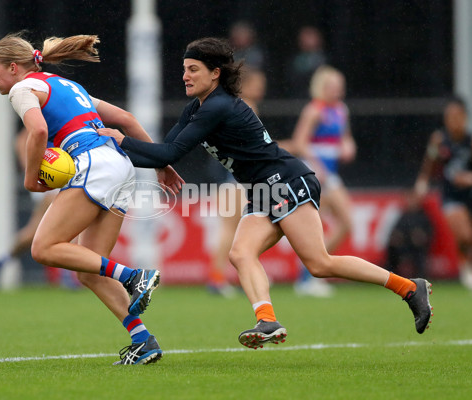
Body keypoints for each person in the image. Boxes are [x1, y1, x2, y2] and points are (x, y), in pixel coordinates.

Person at [101, 37, 433, 349]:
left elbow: (167, 154)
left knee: (318, 263)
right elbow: (163, 151)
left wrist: (120, 142)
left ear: (215, 73)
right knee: (241, 253)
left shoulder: (217, 107)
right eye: (184, 68)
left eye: (193, 69)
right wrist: (124, 149)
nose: (184, 75)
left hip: (285, 180)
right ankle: (267, 321)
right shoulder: (197, 108)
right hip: (263, 188)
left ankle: (408, 288)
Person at [0, 32, 184, 365]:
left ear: (13, 67)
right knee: (89, 269)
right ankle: (143, 340)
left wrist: (30, 177)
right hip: (120, 166)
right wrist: (160, 164)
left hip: (93, 163)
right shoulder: (67, 86)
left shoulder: (23, 89)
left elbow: (36, 131)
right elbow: (126, 119)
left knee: (43, 247)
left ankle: (134, 276)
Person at [286, 66, 356, 297]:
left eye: (340, 86)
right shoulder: (314, 110)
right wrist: (316, 164)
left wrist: (347, 146)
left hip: (331, 174)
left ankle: (309, 272)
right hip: (315, 174)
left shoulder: (341, 110)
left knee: (344, 224)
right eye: (333, 86)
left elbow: (345, 139)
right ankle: (310, 275)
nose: (337, 91)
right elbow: (299, 143)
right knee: (334, 222)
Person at [414, 97, 472, 297]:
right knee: (465, 235)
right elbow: (430, 162)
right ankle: (464, 263)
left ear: (465, 118)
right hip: (450, 195)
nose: (453, 121)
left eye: (457, 117)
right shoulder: (439, 140)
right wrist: (422, 182)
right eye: (449, 117)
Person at [207, 68, 266, 297]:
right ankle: (221, 277)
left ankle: (222, 276)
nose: (262, 88)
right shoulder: (246, 105)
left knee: (231, 230)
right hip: (237, 179)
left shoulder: (227, 104)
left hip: (227, 176)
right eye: (258, 83)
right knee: (233, 230)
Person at [0, 128, 59, 287]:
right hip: (49, 179)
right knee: (60, 226)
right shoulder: (47, 115)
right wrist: (30, 167)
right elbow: (22, 139)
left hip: (64, 177)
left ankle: (3, 260)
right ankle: (68, 276)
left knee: (34, 232)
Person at [285, 26, 327, 97]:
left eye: (310, 36)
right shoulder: (294, 60)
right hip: (298, 97)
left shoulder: (325, 59)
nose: (307, 40)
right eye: (305, 37)